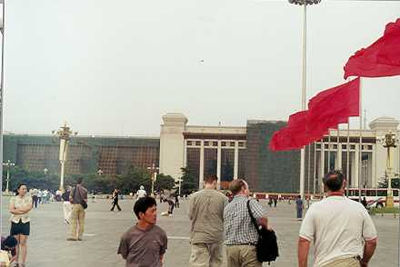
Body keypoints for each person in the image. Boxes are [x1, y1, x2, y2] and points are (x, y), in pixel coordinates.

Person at [298, 170, 377, 267]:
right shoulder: (358, 208)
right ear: (344, 184)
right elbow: (372, 241)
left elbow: (304, 241)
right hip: (351, 262)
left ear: (325, 187)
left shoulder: (315, 209)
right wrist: (364, 261)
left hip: (324, 263)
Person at [224, 179, 269, 267]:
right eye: (248, 188)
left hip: (231, 249)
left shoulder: (228, 206)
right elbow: (263, 218)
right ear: (243, 188)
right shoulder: (250, 202)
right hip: (248, 249)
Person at [188, 175, 228, 267]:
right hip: (216, 235)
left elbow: (190, 215)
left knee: (198, 263)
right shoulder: (223, 198)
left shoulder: (194, 197)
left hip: (199, 235)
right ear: (214, 182)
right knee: (216, 263)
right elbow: (225, 216)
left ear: (204, 182)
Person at [118, 196, 167, 267]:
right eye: (152, 211)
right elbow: (125, 255)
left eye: (155, 210)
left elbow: (161, 255)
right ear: (141, 215)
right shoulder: (128, 236)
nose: (155, 214)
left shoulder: (161, 233)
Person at [9, 183, 33, 267]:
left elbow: (29, 208)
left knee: (23, 242)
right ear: (18, 190)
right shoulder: (13, 198)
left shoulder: (29, 198)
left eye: (25, 189)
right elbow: (11, 210)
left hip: (25, 221)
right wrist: (22, 211)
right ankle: (16, 262)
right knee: (16, 243)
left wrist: (17, 210)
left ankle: (22, 262)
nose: (24, 190)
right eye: (23, 189)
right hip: (15, 221)